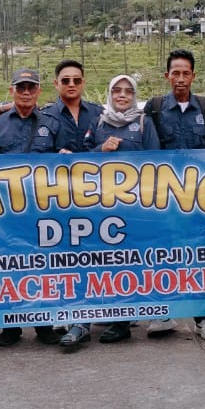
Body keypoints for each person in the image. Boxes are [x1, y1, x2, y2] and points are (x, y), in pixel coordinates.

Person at [62, 74, 160, 348]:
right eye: (117, 90)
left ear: (134, 95)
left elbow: (157, 162)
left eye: (128, 91)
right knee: (93, 262)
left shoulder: (144, 123)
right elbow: (81, 161)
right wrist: (100, 149)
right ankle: (82, 321)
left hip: (133, 208)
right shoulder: (99, 122)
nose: (122, 95)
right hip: (98, 207)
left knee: (126, 264)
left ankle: (121, 322)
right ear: (110, 94)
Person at [0, 68, 66, 348]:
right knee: (9, 266)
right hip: (7, 210)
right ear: (12, 90)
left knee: (42, 266)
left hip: (42, 208)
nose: (25, 92)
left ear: (38, 91)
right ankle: (11, 327)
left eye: (31, 87)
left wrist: (64, 157)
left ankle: (44, 325)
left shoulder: (52, 123)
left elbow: (65, 158)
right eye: (20, 87)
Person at [145, 49, 205, 338]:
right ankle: (163, 314)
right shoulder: (154, 107)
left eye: (186, 73)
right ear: (167, 76)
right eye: (175, 73)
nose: (181, 78)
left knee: (200, 255)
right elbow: (147, 151)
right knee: (163, 253)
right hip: (164, 197)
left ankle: (204, 319)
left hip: (199, 197)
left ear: (193, 76)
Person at [42, 59, 104, 153]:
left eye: (77, 80)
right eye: (65, 80)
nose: (71, 84)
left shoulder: (98, 113)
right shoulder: (45, 116)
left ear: (83, 83)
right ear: (56, 84)